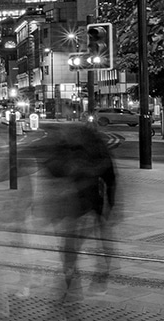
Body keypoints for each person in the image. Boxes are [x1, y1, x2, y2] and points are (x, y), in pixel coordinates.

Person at [34, 122, 116, 298]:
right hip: (81, 205)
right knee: (75, 244)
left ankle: (76, 279)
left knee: (71, 245)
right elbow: (110, 177)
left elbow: (108, 177)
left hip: (83, 205)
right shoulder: (86, 150)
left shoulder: (88, 151)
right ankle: (78, 279)